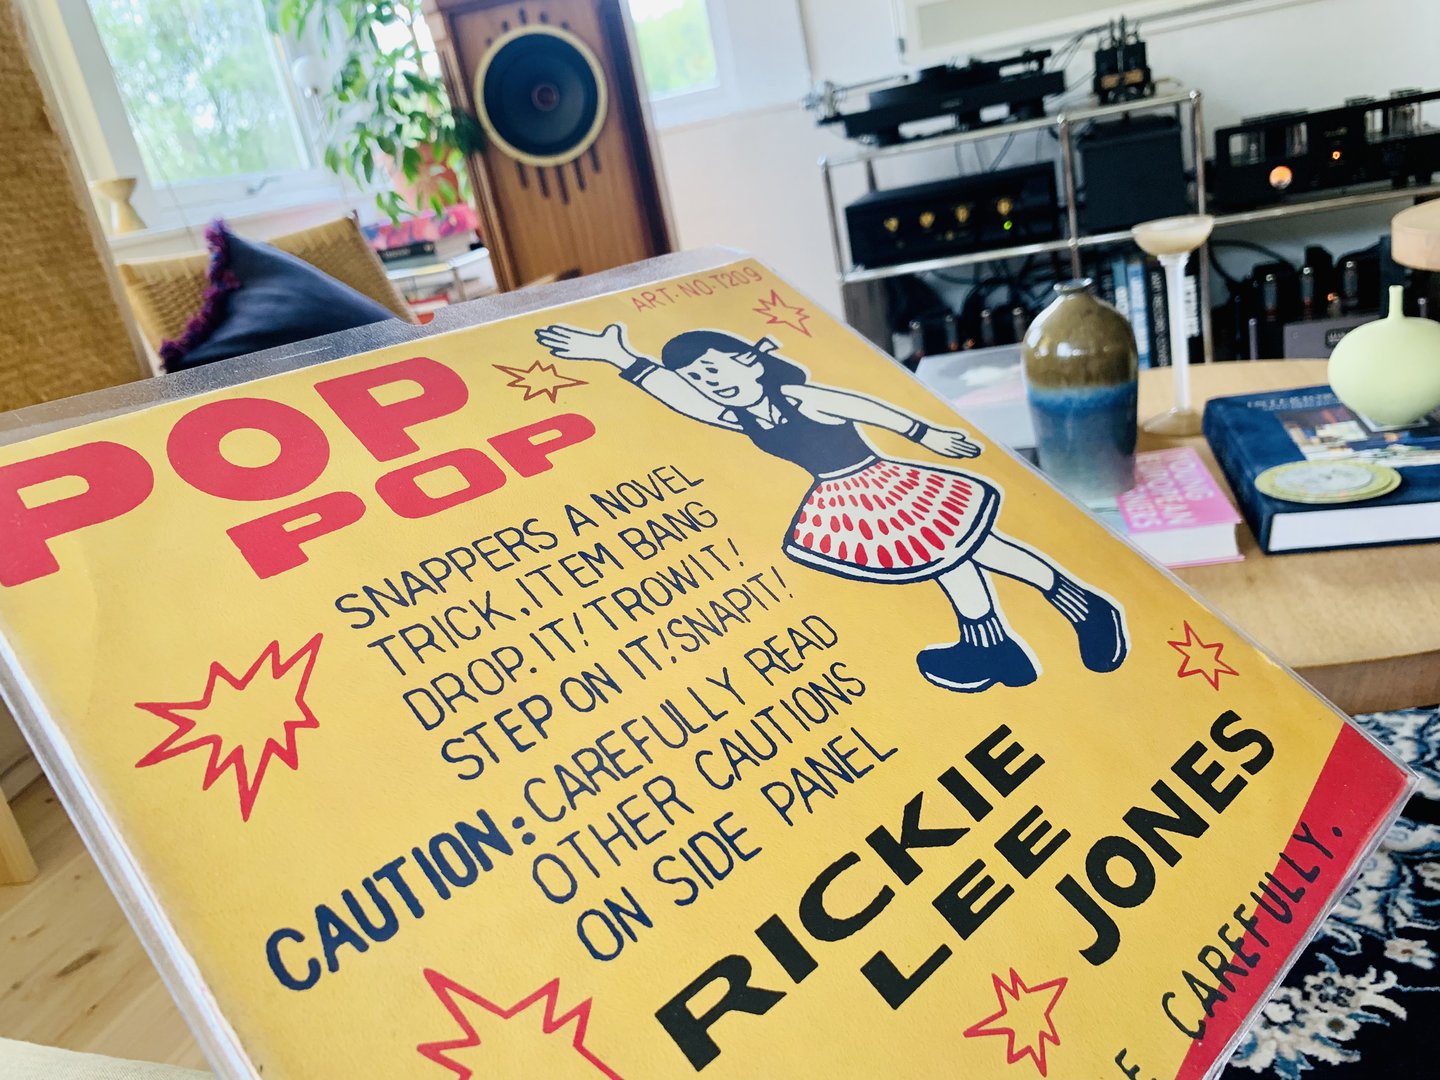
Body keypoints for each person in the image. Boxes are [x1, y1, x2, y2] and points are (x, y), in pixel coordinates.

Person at [534, 322, 1128, 693]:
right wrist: (621, 358)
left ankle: (1073, 613)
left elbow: (863, 407)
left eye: (714, 369)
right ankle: (1001, 644)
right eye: (698, 378)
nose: (709, 384)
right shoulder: (743, 415)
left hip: (881, 483)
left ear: (749, 360)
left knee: (970, 553)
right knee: (957, 558)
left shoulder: (795, 395)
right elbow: (685, 403)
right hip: (841, 498)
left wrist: (925, 434)